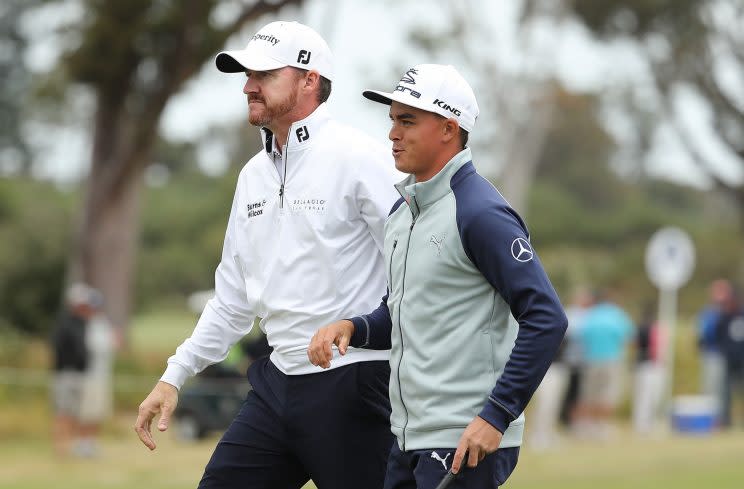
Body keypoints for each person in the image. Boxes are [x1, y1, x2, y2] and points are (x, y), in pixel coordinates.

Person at [134, 21, 399, 489]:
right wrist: (173, 377)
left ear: (309, 80)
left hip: (355, 380)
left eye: (264, 75)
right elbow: (232, 300)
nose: (249, 86)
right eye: (246, 75)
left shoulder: (360, 157)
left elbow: (415, 269)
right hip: (277, 382)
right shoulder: (252, 175)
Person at [308, 64, 567, 489]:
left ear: (448, 129)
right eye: (392, 120)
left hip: (464, 442)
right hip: (407, 439)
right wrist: (352, 327)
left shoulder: (481, 213)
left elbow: (547, 318)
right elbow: (401, 315)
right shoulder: (401, 212)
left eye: (407, 121)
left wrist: (495, 416)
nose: (392, 133)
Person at [573, 290, 633, 440]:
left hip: (590, 359)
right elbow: (628, 337)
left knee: (588, 394)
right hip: (611, 359)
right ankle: (602, 426)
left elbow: (581, 337)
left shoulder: (590, 315)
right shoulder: (617, 314)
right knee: (607, 394)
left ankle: (584, 426)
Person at [51, 283, 94, 457]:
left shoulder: (83, 323)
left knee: (76, 413)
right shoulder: (64, 323)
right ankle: (61, 448)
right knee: (63, 413)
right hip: (65, 374)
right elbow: (59, 349)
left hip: (80, 374)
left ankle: (72, 446)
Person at [697, 279, 730, 416]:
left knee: (723, 390)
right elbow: (703, 333)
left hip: (728, 356)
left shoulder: (730, 311)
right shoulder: (709, 312)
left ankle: (722, 418)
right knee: (711, 388)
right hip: (712, 354)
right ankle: (711, 418)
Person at [632, 303, 666, 434]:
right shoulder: (652, 329)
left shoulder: (639, 328)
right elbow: (655, 348)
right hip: (650, 365)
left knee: (643, 396)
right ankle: (645, 423)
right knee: (649, 396)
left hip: (641, 364)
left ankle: (642, 423)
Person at [714, 283, 744, 427]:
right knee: (726, 392)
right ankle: (726, 421)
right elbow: (718, 336)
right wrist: (723, 350)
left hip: (742, 359)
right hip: (729, 359)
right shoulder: (724, 317)